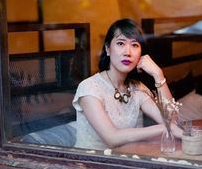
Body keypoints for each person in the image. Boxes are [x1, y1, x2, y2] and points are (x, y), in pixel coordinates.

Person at [72, 18, 183, 150]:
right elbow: (112, 138)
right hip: (90, 165)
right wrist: (162, 128)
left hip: (128, 161)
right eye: (120, 43)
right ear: (108, 49)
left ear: (141, 54)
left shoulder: (137, 88)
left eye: (134, 45)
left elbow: (172, 121)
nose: (127, 52)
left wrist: (158, 75)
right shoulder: (89, 87)